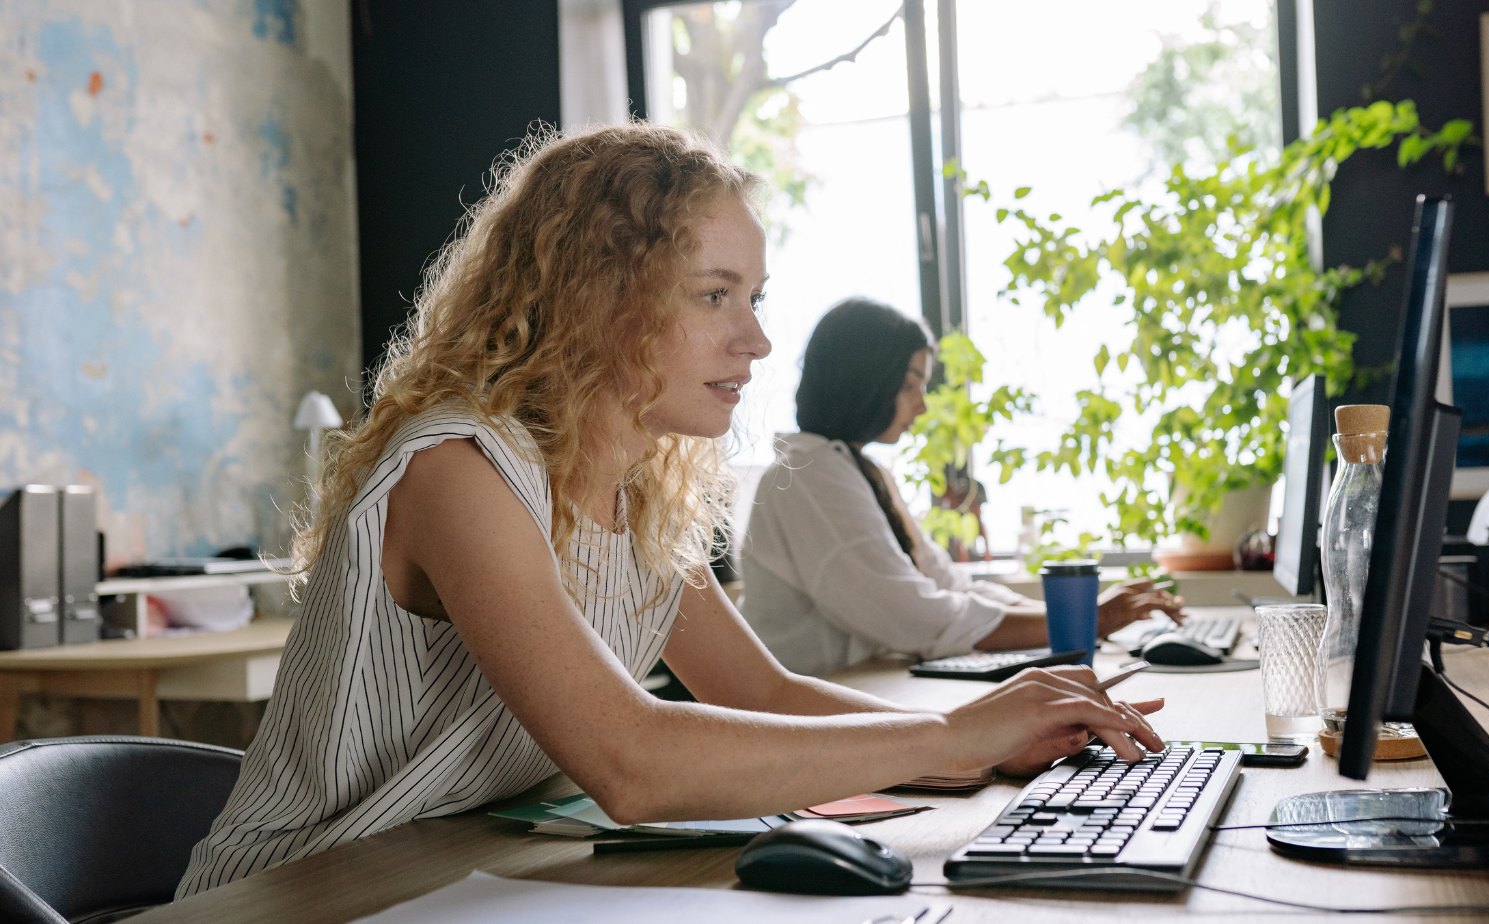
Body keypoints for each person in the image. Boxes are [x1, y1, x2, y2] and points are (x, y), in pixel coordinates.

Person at [176, 126, 1165, 897]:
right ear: (595, 296)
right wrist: (947, 741)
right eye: (714, 296)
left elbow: (764, 696)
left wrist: (979, 733)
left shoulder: (641, 487)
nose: (756, 341)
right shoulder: (457, 470)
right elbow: (632, 762)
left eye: (756, 296)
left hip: (450, 875)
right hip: (297, 893)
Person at [738, 299, 1183, 677]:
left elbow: (945, 581)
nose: (923, 404)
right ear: (865, 380)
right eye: (911, 384)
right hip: (822, 711)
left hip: (867, 689)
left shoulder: (856, 470)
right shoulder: (808, 477)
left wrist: (1080, 621)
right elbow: (914, 617)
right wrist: (1088, 621)